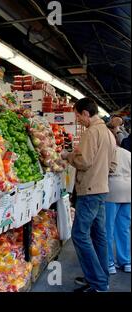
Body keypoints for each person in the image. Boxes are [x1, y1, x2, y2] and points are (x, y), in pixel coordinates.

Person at [61, 97, 117, 292]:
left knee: (79, 234)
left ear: (86, 113)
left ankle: (98, 282)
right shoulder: (109, 134)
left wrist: (68, 155)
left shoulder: (91, 132)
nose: (78, 120)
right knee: (98, 234)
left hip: (89, 191)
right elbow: (113, 165)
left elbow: (83, 161)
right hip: (102, 189)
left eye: (78, 115)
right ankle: (102, 279)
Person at [104, 143, 131, 274]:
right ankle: (126, 261)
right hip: (128, 191)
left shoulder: (107, 153)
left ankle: (109, 263)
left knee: (108, 228)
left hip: (112, 191)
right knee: (123, 228)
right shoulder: (127, 153)